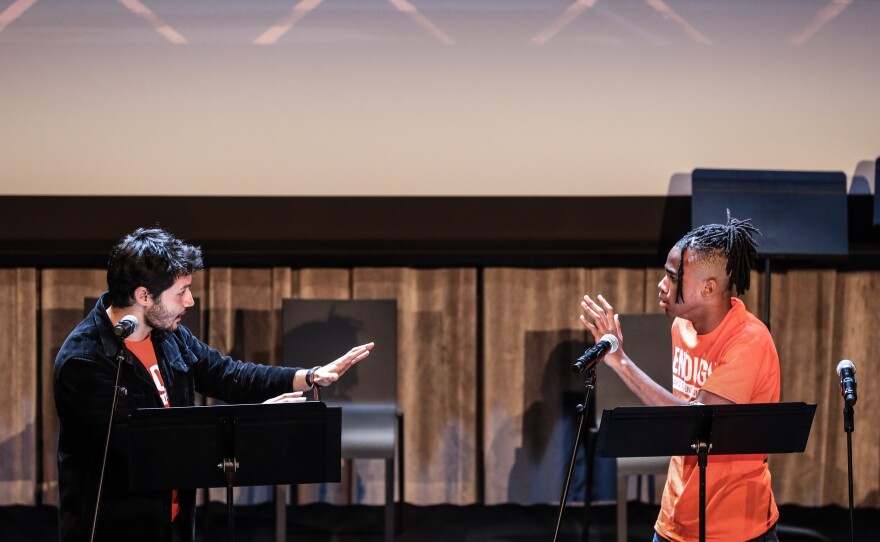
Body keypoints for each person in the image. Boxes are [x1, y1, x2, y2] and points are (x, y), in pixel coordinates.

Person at [53, 227, 373, 542]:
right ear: (143, 296)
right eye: (180, 292)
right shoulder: (85, 361)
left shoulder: (169, 335)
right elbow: (149, 453)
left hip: (173, 524)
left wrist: (309, 376)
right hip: (120, 529)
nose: (190, 301)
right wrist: (252, 426)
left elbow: (226, 374)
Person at [579, 214, 780, 542]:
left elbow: (696, 422)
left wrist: (621, 363)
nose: (662, 285)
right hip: (676, 518)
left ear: (708, 287)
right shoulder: (682, 328)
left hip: (735, 526)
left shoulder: (749, 342)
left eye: (673, 277)